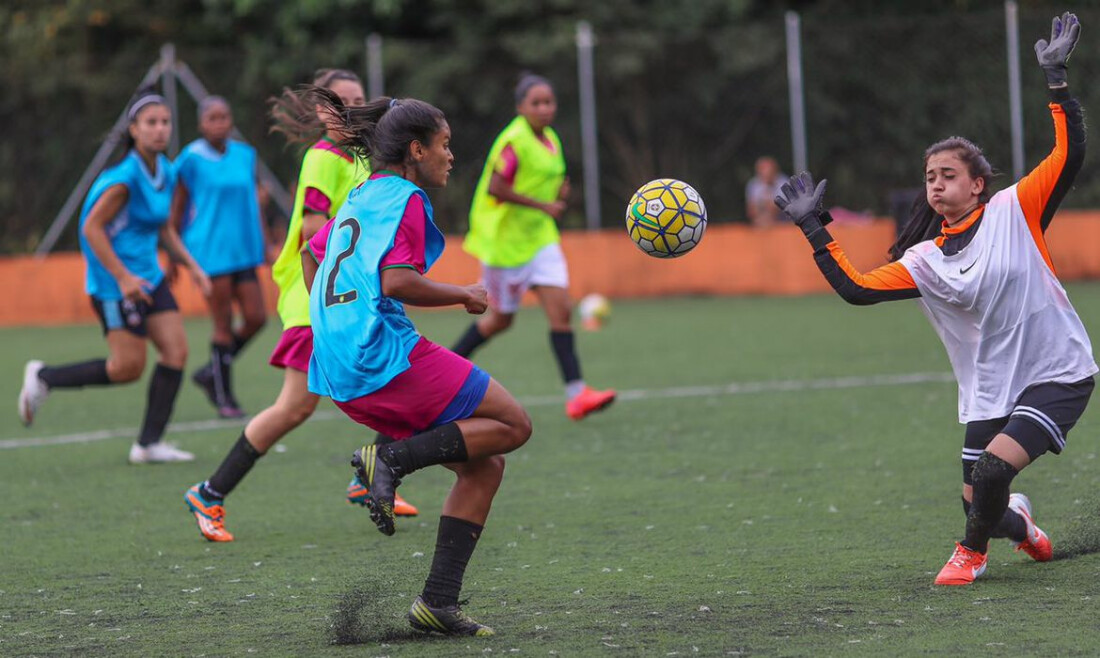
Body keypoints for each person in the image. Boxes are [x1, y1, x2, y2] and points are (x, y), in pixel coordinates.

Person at [775, 12, 1092, 586]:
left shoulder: (1015, 209)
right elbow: (857, 289)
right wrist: (814, 229)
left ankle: (968, 556)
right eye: (929, 177)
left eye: (948, 174)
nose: (936, 184)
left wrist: (1056, 83)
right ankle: (1021, 528)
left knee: (994, 470)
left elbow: (1068, 155)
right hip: (991, 389)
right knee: (984, 507)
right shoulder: (925, 261)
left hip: (1058, 371)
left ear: (977, 184)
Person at [302, 89, 532, 637]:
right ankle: (391, 461)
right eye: (444, 145)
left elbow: (313, 251)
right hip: (378, 352)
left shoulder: (362, 194)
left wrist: (329, 325)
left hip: (339, 360)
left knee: (485, 468)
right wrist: (463, 295)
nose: (451, 155)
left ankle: (437, 604)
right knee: (514, 425)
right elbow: (397, 281)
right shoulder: (405, 197)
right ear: (415, 150)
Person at [183, 69, 417, 543]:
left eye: (358, 99)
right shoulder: (322, 158)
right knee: (294, 407)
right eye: (340, 101)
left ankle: (369, 475)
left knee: (400, 370)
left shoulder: (360, 159)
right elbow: (314, 232)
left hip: (342, 296)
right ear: (322, 111)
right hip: (313, 298)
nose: (351, 108)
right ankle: (209, 493)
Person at [18, 90, 211, 463]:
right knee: (126, 368)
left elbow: (164, 229)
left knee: (176, 351)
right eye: (151, 123)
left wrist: (194, 267)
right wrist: (122, 278)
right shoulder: (123, 179)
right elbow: (91, 229)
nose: (159, 130)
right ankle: (45, 377)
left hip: (149, 277)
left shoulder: (166, 172)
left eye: (165, 122)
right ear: (134, 130)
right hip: (114, 284)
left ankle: (148, 444)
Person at [453, 73, 615, 420]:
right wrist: (544, 206)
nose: (544, 108)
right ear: (521, 107)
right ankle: (446, 371)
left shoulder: (551, 139)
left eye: (549, 102)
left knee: (561, 310)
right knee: (500, 321)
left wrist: (556, 197)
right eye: (536, 103)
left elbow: (542, 184)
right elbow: (497, 187)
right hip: (506, 246)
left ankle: (577, 395)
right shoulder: (514, 142)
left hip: (541, 239)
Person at [171, 96, 268, 419]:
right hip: (209, 251)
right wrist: (172, 254)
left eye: (225, 116)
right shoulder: (190, 158)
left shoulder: (245, 155)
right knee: (222, 324)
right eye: (212, 118)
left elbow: (254, 202)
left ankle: (209, 372)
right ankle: (224, 397)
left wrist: (266, 242)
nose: (220, 123)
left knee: (256, 318)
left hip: (244, 248)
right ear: (201, 123)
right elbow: (178, 206)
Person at [745, 156, 789, 228]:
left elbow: (782, 208)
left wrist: (764, 206)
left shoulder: (784, 183)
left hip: (783, 224)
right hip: (760, 222)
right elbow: (751, 210)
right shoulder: (753, 184)